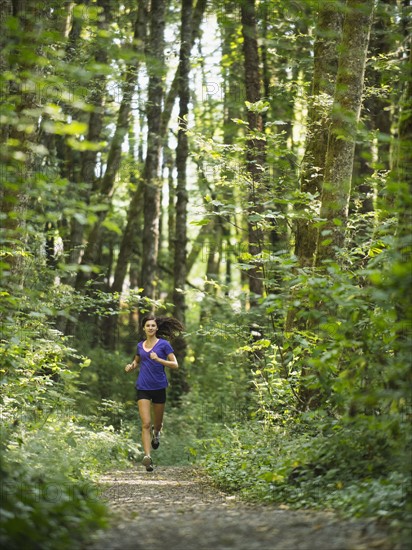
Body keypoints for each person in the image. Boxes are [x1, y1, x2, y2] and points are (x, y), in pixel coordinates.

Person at [125, 314, 184, 472]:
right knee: (145, 423)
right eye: (148, 325)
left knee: (156, 424)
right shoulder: (140, 346)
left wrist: (159, 360)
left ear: (157, 328)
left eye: (153, 325)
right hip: (143, 387)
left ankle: (157, 434)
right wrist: (131, 366)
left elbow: (175, 364)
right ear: (143, 328)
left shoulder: (164, 345)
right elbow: (137, 361)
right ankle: (148, 458)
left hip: (159, 387)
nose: (150, 328)